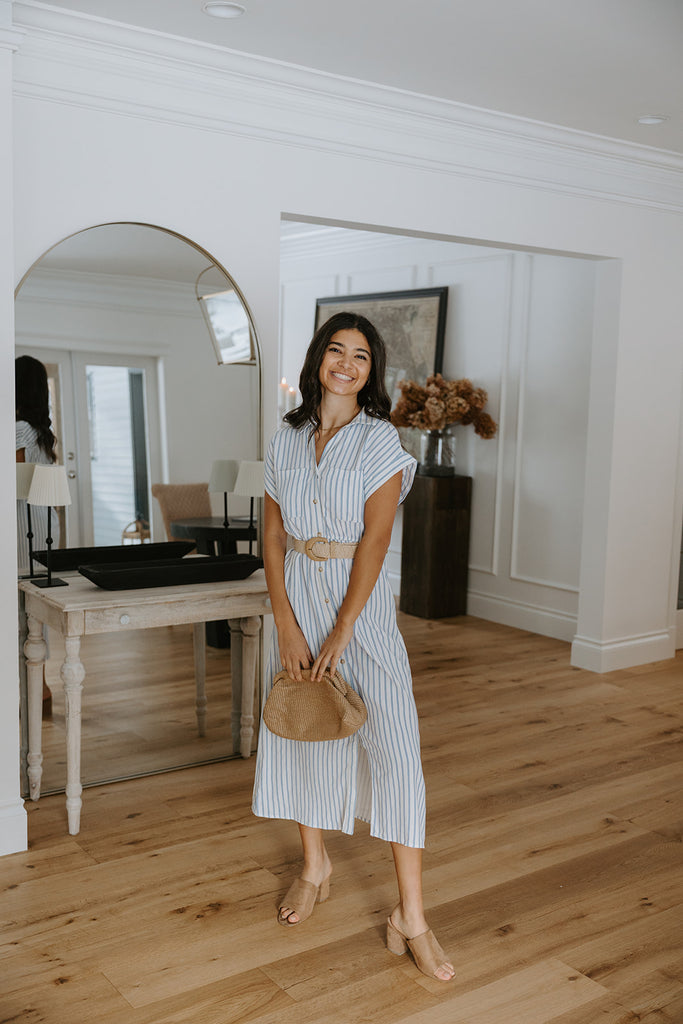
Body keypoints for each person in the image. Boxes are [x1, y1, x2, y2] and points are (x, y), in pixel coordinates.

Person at [252, 312, 454, 982]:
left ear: (371, 371)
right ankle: (314, 865)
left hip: (357, 609)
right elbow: (272, 536)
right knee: (308, 732)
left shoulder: (378, 440)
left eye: (359, 355)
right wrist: (286, 622)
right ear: (317, 359)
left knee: (397, 752)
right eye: (334, 350)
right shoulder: (284, 438)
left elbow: (374, 542)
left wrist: (343, 628)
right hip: (298, 606)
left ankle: (411, 916)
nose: (344, 363)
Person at [16, 354, 59, 716]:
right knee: (34, 611)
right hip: (42, 522)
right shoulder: (40, 432)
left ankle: (34, 690)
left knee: (22, 610)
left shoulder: (17, 431)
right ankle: (39, 688)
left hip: (23, 524)